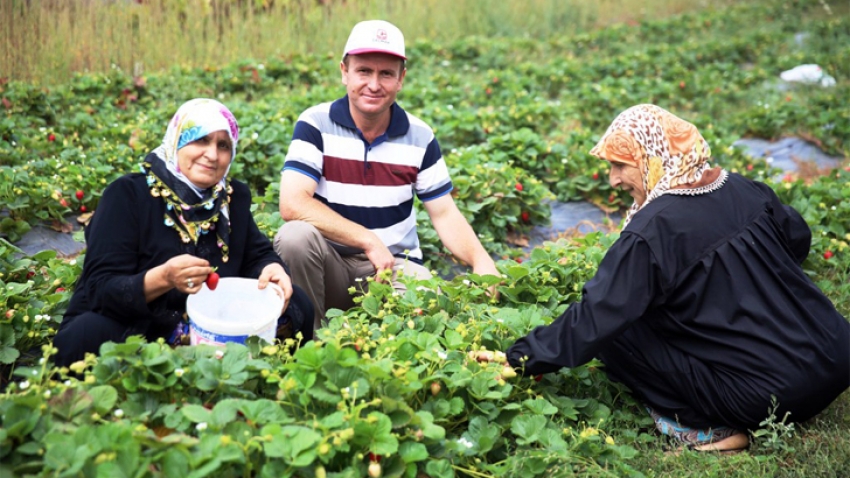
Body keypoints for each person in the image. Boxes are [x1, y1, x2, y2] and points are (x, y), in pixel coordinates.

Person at [479, 104, 850, 452]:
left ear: (653, 156)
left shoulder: (652, 232)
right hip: (836, 357)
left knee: (620, 332)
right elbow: (797, 236)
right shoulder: (740, 187)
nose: (612, 180)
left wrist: (521, 358)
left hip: (769, 398)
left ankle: (705, 427)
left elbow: (597, 317)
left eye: (621, 165)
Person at [274, 20, 499, 332]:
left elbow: (444, 213)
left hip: (393, 269)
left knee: (426, 305)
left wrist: (482, 261)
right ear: (344, 72)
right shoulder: (315, 124)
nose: (374, 84)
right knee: (294, 237)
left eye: (386, 74)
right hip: (329, 267)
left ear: (401, 78)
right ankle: (308, 339)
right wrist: (368, 239)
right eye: (364, 71)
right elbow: (293, 204)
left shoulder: (420, 136)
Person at [54, 99, 314, 367]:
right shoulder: (128, 195)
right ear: (176, 140)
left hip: (211, 327)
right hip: (140, 326)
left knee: (298, 303)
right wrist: (163, 278)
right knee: (87, 334)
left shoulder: (231, 198)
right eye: (200, 140)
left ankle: (279, 384)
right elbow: (100, 289)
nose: (212, 155)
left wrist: (272, 268)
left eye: (223, 145)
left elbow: (256, 253)